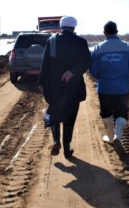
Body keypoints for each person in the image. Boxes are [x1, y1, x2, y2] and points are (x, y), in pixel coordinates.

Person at [38, 16, 91, 158]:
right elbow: (87, 61)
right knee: (70, 117)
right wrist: (72, 72)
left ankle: (56, 141)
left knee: (54, 113)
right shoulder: (81, 42)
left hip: (54, 86)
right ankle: (67, 149)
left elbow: (45, 64)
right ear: (74, 27)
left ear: (61, 26)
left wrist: (42, 83)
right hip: (73, 87)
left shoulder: (52, 40)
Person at [90, 21, 129, 155]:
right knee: (121, 112)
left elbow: (93, 70)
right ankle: (118, 136)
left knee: (106, 113)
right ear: (117, 32)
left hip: (104, 88)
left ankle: (111, 138)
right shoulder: (127, 47)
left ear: (104, 33)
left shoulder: (98, 48)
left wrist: (101, 77)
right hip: (123, 89)